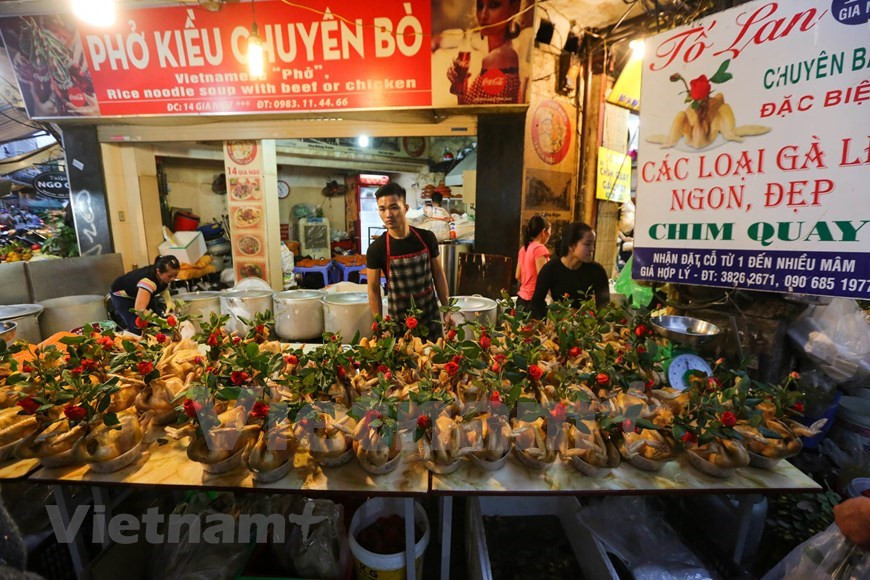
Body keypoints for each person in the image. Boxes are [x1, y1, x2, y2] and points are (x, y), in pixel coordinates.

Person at [366, 183, 450, 337]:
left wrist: (447, 310)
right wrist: (380, 325)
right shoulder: (377, 249)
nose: (388, 214)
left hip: (430, 317)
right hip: (399, 323)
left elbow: (438, 274)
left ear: (405, 208)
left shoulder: (426, 238)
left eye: (394, 207)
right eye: (382, 209)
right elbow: (373, 289)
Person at [447, 0, 523, 105]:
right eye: (480, 6)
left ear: (513, 8)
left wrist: (460, 89)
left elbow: (469, 112)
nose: (483, 15)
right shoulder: (508, 51)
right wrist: (461, 84)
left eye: (493, 5)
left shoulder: (497, 58)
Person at [530, 222, 609, 319]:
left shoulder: (597, 271)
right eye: (587, 244)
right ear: (572, 245)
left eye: (593, 244)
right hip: (558, 328)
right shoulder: (550, 269)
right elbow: (536, 303)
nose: (592, 249)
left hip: (586, 327)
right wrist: (548, 322)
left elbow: (604, 306)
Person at [110, 255, 180, 334]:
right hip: (123, 296)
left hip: (141, 294)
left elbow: (162, 287)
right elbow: (139, 310)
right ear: (158, 272)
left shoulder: (161, 275)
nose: (173, 279)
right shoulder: (148, 282)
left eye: (175, 275)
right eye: (170, 276)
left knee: (153, 325)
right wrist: (162, 321)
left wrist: (168, 300)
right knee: (138, 327)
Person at [515, 215, 550, 311]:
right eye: (549, 233)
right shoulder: (540, 249)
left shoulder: (524, 248)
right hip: (535, 302)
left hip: (521, 301)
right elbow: (543, 278)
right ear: (543, 232)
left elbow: (517, 275)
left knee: (521, 326)